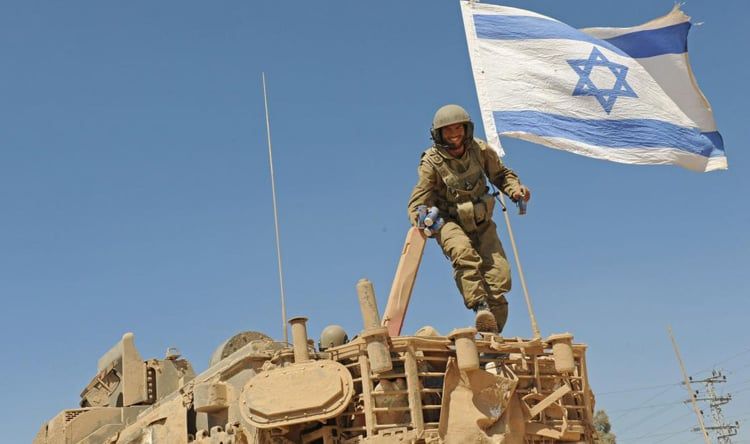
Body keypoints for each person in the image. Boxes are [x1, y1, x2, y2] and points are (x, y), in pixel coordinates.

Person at [407, 104, 531, 333]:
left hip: (482, 221)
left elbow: (501, 175)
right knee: (463, 253)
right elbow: (417, 203)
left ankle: (492, 332)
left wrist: (515, 190)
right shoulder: (431, 163)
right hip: (448, 222)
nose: (454, 134)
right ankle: (480, 307)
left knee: (500, 276)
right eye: (448, 130)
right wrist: (424, 216)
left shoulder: (480, 150)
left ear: (466, 129)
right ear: (439, 134)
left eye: (458, 128)